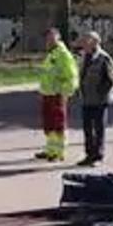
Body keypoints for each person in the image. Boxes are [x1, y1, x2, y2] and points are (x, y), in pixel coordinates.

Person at [35, 28, 79, 162]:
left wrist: (64, 92)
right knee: (48, 123)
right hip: (48, 93)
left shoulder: (63, 54)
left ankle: (59, 152)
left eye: (51, 38)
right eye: (47, 39)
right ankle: (50, 149)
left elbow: (72, 75)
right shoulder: (52, 54)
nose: (48, 41)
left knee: (58, 123)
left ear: (58, 38)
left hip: (57, 94)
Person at [76, 31, 113, 167]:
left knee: (99, 129)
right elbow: (81, 75)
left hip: (100, 101)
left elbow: (110, 80)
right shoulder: (84, 57)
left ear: (94, 42)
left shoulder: (104, 58)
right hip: (86, 99)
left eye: (86, 40)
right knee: (87, 129)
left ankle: (98, 156)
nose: (83, 43)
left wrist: (101, 93)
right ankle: (89, 155)